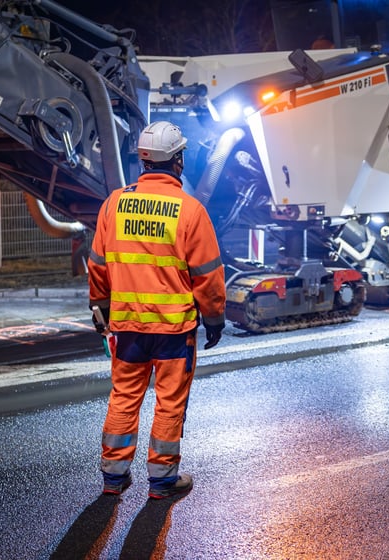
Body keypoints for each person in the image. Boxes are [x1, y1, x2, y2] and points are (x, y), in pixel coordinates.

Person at [87, 120, 226, 499]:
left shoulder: (113, 204)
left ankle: (113, 477)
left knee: (123, 397)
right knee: (169, 403)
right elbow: (208, 276)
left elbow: (98, 266)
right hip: (172, 332)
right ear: (178, 161)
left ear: (144, 162)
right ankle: (162, 481)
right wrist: (214, 320)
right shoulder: (190, 211)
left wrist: (99, 307)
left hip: (127, 328)